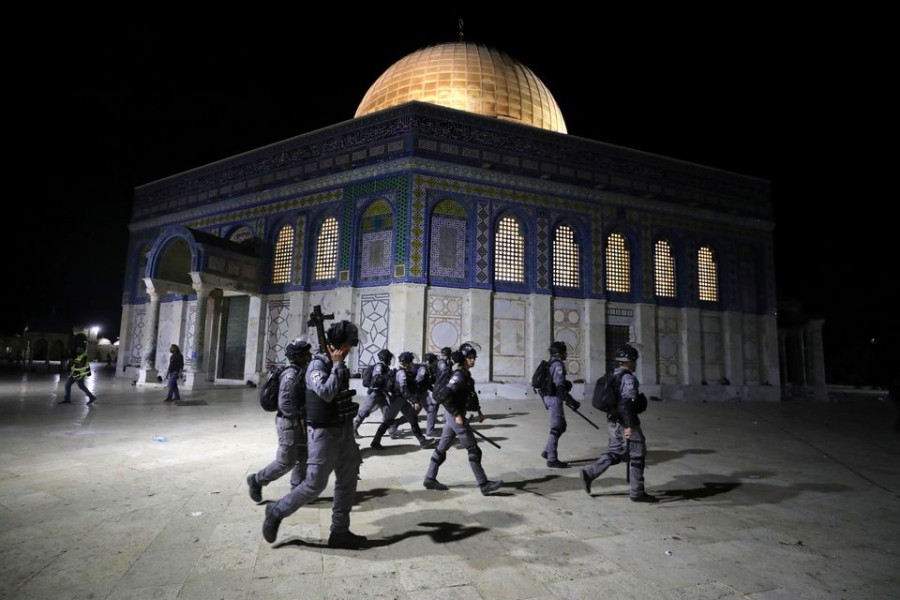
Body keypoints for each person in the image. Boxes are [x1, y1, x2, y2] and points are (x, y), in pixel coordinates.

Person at [262, 320, 367, 548]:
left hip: (344, 431)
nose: (349, 350)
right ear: (340, 346)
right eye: (348, 346)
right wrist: (337, 365)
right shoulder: (317, 366)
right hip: (323, 434)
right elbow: (326, 393)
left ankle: (339, 531)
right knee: (314, 484)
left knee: (348, 481)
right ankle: (276, 511)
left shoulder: (335, 362)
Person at [579, 344, 657, 502]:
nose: (635, 364)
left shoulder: (613, 375)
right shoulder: (628, 378)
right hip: (625, 422)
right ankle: (637, 492)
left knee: (616, 453)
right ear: (630, 361)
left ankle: (590, 473)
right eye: (634, 360)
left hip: (612, 422)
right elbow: (626, 404)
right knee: (637, 453)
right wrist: (629, 426)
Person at [422, 342, 502, 495]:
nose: (473, 360)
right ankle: (484, 484)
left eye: (474, 357)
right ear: (464, 359)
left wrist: (478, 411)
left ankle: (429, 478)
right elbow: (446, 395)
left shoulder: (465, 374)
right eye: (470, 358)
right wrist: (458, 415)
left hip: (455, 415)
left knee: (441, 448)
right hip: (455, 415)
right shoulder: (459, 375)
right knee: (474, 450)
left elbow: (470, 393)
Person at [247, 336, 313, 503]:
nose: (309, 356)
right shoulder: (291, 375)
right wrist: (300, 414)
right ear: (297, 356)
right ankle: (257, 480)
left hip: (298, 421)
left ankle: (297, 489)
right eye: (306, 354)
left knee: (302, 456)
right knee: (286, 462)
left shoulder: (300, 372)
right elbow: (285, 404)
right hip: (288, 423)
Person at [370, 352, 436, 449]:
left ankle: (423, 441)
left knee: (413, 418)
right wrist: (414, 401)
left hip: (402, 400)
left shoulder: (403, 372)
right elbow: (404, 390)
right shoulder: (401, 374)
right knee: (387, 421)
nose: (413, 363)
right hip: (397, 400)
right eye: (411, 361)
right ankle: (375, 442)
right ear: (407, 362)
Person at [540, 341, 579, 468]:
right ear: (559, 353)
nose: (566, 354)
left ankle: (547, 451)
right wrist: (572, 401)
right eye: (564, 351)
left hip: (549, 397)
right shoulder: (557, 365)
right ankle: (551, 459)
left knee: (562, 426)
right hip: (554, 399)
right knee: (556, 428)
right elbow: (560, 388)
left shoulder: (551, 363)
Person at [353, 349, 395, 438]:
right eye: (389, 358)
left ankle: (391, 430)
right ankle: (353, 429)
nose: (390, 360)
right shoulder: (379, 366)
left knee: (387, 412)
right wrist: (387, 377)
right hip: (374, 393)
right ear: (385, 358)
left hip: (381, 393)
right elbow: (377, 379)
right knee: (364, 411)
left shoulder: (385, 367)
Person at [422, 353, 441, 437]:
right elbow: (420, 383)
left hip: (421, 393)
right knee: (431, 409)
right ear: (432, 361)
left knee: (412, 414)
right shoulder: (424, 370)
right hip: (419, 393)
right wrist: (414, 399)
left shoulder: (427, 368)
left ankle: (396, 423)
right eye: (435, 361)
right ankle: (430, 431)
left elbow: (427, 383)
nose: (436, 362)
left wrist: (433, 390)